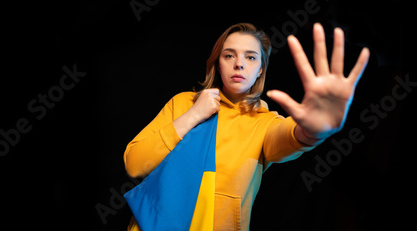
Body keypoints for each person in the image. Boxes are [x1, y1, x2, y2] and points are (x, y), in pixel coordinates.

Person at [123, 22, 370, 230]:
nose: (239, 64)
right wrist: (193, 115)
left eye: (250, 57)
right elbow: (134, 164)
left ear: (260, 68)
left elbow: (289, 136)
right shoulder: (183, 103)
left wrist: (315, 129)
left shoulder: (264, 122)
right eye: (229, 55)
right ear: (218, 64)